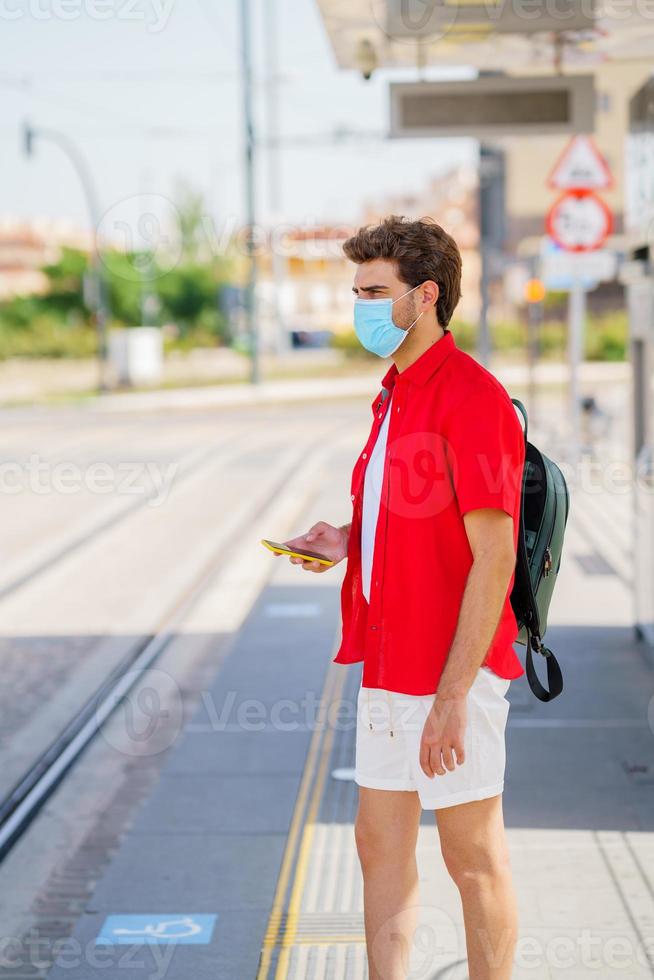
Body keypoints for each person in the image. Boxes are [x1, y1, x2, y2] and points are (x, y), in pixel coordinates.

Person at [281, 215, 526, 980]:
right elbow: (418, 514)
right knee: (376, 843)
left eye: (372, 291)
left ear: (425, 296)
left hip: (453, 672)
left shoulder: (472, 397)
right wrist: (348, 540)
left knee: (471, 856)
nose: (358, 306)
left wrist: (454, 696)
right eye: (355, 290)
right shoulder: (392, 396)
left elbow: (494, 558)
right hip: (388, 665)